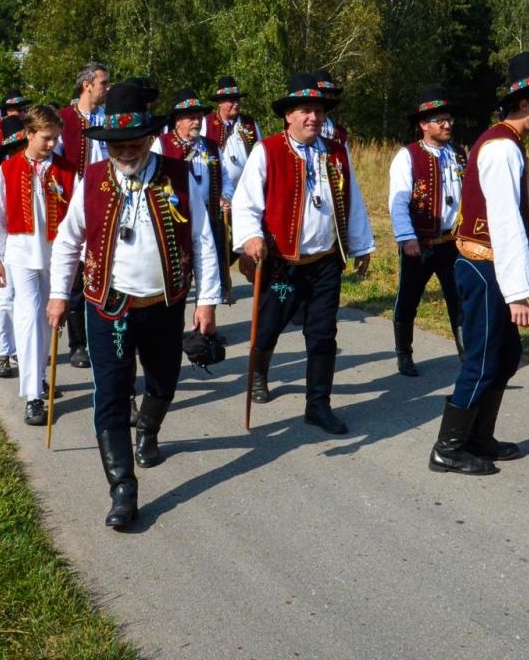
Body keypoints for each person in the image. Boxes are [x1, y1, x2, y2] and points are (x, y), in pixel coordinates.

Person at [47, 82, 223, 530]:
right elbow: (68, 241)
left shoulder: (178, 176)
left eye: (134, 144)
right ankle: (123, 489)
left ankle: (148, 427)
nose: (125, 153)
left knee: (164, 381)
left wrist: (208, 300)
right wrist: (56, 294)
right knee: (110, 394)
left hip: (165, 304)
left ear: (149, 139)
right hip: (108, 305)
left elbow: (203, 241)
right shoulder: (91, 181)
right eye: (117, 146)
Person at [431, 52, 529, 476]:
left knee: (506, 355)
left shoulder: (506, 142)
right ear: (525, 104)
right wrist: (519, 293)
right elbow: (506, 224)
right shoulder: (501, 149)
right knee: (483, 358)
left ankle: (478, 437)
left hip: (490, 266)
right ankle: (447, 449)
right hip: (485, 267)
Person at [232, 73, 375, 436]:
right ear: (289, 116)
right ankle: (260, 371)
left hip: (325, 261)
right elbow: (246, 202)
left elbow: (352, 200)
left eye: (319, 111)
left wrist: (361, 245)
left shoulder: (336, 152)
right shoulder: (268, 150)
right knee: (267, 329)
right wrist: (250, 238)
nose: (314, 117)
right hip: (282, 264)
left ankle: (318, 405)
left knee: (323, 334)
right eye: (306, 111)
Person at [0, 109, 77, 423]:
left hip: (56, 255)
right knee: (28, 316)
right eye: (46, 137)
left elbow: (79, 218)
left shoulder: (67, 171)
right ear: (29, 134)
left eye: (55, 138)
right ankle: (34, 394)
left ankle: (37, 372)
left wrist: (84, 254)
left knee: (48, 319)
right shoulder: (9, 170)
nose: (52, 143)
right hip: (20, 253)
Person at [386, 87, 465, 377]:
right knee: (409, 297)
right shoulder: (407, 156)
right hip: (420, 243)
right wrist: (406, 238)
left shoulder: (458, 154)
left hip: (453, 242)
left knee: (460, 298)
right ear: (424, 125)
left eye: (449, 119)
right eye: (440, 120)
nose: (448, 125)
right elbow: (398, 201)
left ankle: (467, 357)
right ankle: (403, 353)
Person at [57, 61, 111, 370]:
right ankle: (78, 344)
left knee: (103, 273)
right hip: (74, 205)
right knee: (76, 277)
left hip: (106, 204)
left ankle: (101, 337)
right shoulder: (65, 119)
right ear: (87, 85)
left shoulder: (108, 118)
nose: (107, 87)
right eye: (103, 82)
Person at [157, 88, 233, 307]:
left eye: (199, 117)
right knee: (177, 273)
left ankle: (205, 330)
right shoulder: (162, 145)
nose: (197, 122)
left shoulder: (210, 146)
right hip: (177, 219)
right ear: (178, 120)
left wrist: (225, 197)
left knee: (211, 269)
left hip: (211, 216)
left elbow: (226, 177)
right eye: (191, 117)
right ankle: (174, 329)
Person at [204, 76, 262, 212]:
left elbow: (259, 154)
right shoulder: (206, 123)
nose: (236, 103)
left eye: (237, 99)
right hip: (217, 194)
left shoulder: (250, 123)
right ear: (220, 102)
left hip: (246, 192)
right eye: (231, 100)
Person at [313, 69, 349, 147]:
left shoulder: (340, 133)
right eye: (322, 94)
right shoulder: (304, 130)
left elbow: (346, 158)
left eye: (329, 95)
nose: (326, 99)